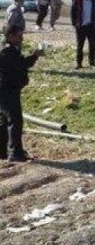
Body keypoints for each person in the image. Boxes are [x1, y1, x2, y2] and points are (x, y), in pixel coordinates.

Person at [0, 25, 43, 161]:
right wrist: (35, 55)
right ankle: (15, 153)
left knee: (6, 121)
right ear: (10, 36)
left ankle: (4, 151)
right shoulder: (7, 51)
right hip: (7, 90)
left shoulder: (9, 49)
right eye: (19, 36)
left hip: (8, 89)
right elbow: (21, 64)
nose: (22, 39)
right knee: (15, 121)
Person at [70, 0, 95, 70]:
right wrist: (74, 23)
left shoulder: (94, 0)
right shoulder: (77, 0)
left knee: (92, 45)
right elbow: (72, 12)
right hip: (81, 27)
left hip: (92, 27)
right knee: (80, 45)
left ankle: (92, 63)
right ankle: (79, 63)